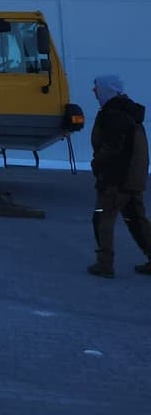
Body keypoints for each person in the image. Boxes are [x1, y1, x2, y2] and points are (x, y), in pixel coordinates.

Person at [88, 73, 151, 279]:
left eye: (97, 87)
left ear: (107, 89)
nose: (94, 91)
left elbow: (113, 149)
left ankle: (104, 263)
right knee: (136, 219)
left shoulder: (113, 114)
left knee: (102, 217)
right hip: (133, 178)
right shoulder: (127, 111)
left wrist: (99, 166)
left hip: (116, 179)